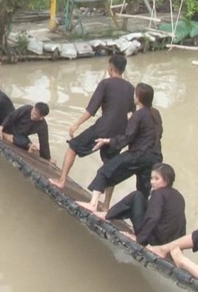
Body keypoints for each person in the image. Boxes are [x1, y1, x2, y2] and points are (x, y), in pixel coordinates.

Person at [48, 54, 135, 210]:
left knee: (73, 147)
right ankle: (106, 204)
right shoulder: (130, 88)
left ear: (111, 67)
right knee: (111, 165)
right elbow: (132, 114)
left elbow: (91, 109)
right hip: (120, 132)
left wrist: (76, 124)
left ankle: (62, 180)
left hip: (103, 127)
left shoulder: (105, 84)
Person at [76, 82, 163, 212]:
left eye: (135, 94)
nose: (133, 95)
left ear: (138, 97)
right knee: (142, 193)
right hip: (155, 158)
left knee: (105, 171)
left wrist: (108, 141)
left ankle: (93, 203)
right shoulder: (156, 113)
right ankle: (141, 224)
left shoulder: (138, 115)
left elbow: (127, 137)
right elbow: (155, 134)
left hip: (138, 154)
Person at [93, 163, 185, 247]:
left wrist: (139, 239)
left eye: (157, 179)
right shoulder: (178, 196)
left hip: (154, 239)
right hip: (167, 242)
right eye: (151, 178)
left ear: (167, 180)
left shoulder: (158, 194)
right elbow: (182, 222)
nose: (152, 182)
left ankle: (107, 215)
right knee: (141, 200)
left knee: (136, 196)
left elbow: (153, 217)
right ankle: (111, 215)